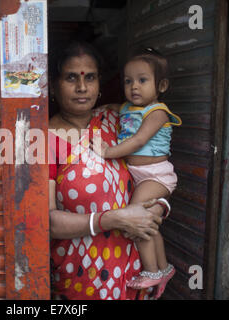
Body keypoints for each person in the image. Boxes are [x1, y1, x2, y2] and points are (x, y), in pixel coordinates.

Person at [48, 41, 169, 300]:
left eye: (90, 78)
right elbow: (47, 222)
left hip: (134, 275)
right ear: (52, 85)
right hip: (83, 279)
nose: (82, 88)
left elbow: (153, 172)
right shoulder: (43, 140)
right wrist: (113, 219)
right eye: (71, 77)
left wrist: (157, 207)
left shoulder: (118, 123)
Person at [93, 47, 182, 297]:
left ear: (161, 85)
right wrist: (102, 108)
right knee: (151, 226)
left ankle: (151, 271)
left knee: (138, 218)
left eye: (142, 80)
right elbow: (116, 106)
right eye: (128, 81)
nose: (134, 87)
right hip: (142, 175)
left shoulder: (158, 112)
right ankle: (164, 268)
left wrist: (108, 152)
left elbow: (138, 140)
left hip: (155, 174)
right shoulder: (126, 107)